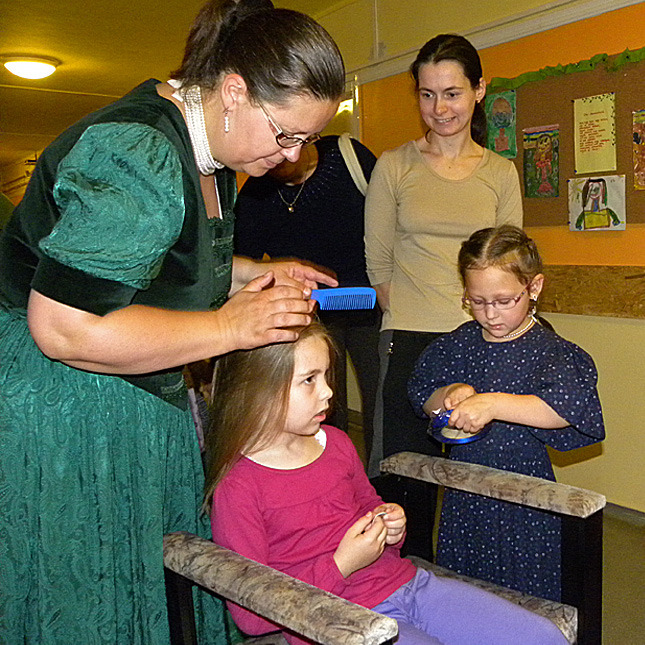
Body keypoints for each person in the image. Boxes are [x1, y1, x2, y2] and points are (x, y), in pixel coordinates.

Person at [0, 1, 345, 642]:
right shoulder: (138, 153)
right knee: (93, 595)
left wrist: (249, 271)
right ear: (235, 92)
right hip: (67, 408)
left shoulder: (212, 149)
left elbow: (162, 258)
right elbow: (65, 327)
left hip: (123, 392)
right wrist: (230, 328)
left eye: (306, 140)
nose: (293, 156)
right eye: (287, 134)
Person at [206, 319, 567, 645]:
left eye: (326, 376)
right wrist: (341, 564)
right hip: (334, 619)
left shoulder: (336, 443)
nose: (328, 391)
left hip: (406, 585)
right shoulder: (238, 486)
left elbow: (368, 506)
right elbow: (250, 616)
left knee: (544, 636)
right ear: (259, 389)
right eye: (309, 380)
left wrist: (389, 524)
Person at [364, 33, 523, 558]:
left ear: (479, 90)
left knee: (478, 480)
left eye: (452, 93)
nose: (440, 108)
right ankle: (404, 583)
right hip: (409, 339)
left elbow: (510, 266)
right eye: (427, 94)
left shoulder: (500, 172)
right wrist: (413, 314)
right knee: (404, 478)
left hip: (482, 341)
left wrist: (489, 328)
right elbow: (379, 265)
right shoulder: (394, 165)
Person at [408, 225, 605, 602]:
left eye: (503, 301)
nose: (490, 314)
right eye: (477, 301)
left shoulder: (550, 351)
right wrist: (449, 395)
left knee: (525, 596)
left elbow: (565, 408)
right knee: (466, 591)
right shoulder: (460, 343)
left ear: (534, 287)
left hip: (524, 499)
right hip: (466, 494)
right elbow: (422, 393)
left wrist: (494, 403)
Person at [234, 134, 380, 457]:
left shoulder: (348, 158)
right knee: (322, 405)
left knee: (379, 402)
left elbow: (388, 221)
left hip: (370, 305)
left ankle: (375, 480)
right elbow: (240, 264)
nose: (279, 157)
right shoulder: (256, 194)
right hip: (307, 316)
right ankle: (326, 472)